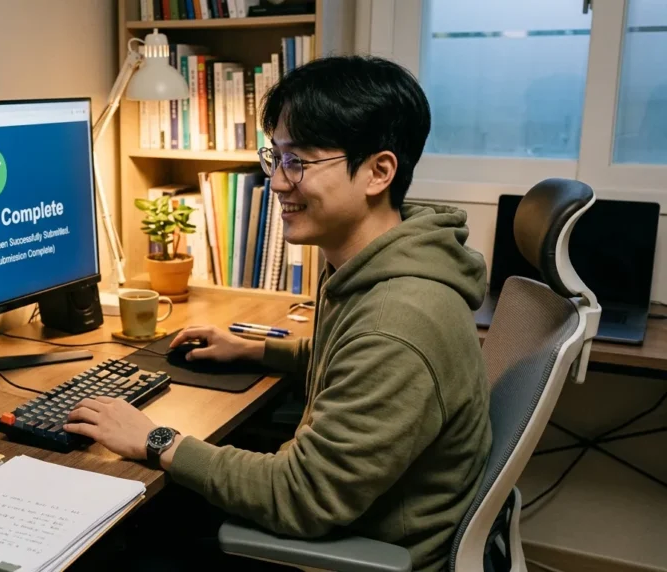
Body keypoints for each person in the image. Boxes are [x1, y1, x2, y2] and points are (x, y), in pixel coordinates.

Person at [65, 55, 492, 572]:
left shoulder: (398, 322)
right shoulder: (382, 265)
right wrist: (258, 348)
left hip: (349, 551)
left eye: (300, 163)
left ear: (379, 172)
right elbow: (352, 365)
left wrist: (155, 438)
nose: (278, 183)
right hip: (358, 521)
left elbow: (302, 497)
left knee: (115, 535)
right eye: (277, 158)